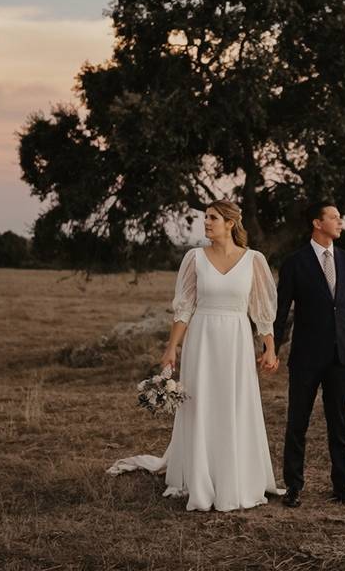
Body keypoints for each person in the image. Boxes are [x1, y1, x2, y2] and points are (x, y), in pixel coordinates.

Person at [107, 200, 283, 511]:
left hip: (237, 339)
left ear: (230, 223)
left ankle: (235, 477)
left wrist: (269, 347)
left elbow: (261, 310)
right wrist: (172, 346)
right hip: (202, 339)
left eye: (213, 218)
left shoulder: (254, 260)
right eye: (205, 218)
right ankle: (200, 476)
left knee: (234, 402)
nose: (206, 223)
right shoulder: (194, 258)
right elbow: (184, 308)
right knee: (202, 403)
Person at [274, 201, 345, 508]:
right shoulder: (294, 263)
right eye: (334, 217)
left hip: (342, 357)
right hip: (305, 357)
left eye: (340, 217)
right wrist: (271, 349)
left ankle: (342, 487)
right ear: (317, 223)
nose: (340, 222)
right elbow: (280, 312)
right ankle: (293, 487)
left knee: (339, 425)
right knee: (297, 423)